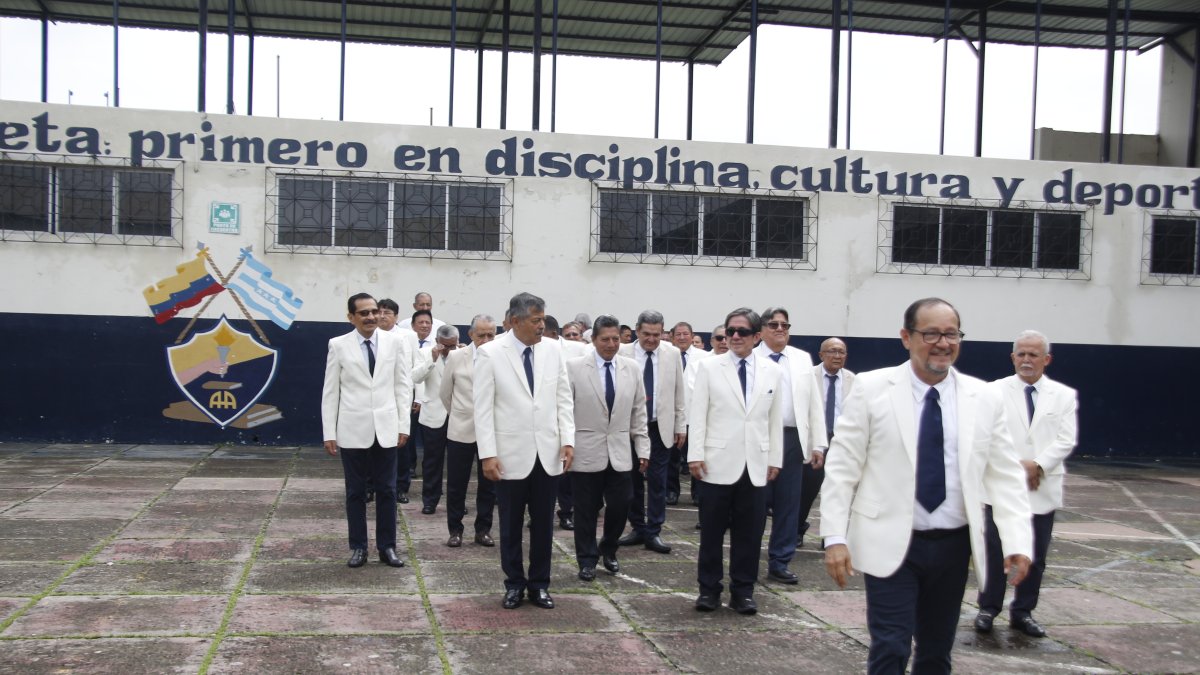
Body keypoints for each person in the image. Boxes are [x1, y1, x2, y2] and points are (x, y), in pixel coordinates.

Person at [822, 297, 1033, 674]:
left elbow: (1005, 477)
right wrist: (834, 537)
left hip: (953, 547)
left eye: (951, 334)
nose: (942, 343)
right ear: (906, 337)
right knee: (891, 646)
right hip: (891, 542)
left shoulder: (984, 398)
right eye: (931, 333)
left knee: (936, 653)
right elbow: (842, 466)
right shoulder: (872, 388)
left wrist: (1017, 542)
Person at [474, 292, 575, 610]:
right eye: (535, 320)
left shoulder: (553, 349)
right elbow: (483, 409)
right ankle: (514, 583)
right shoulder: (490, 353)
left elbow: (563, 397)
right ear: (515, 321)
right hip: (509, 454)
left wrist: (567, 439)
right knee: (510, 524)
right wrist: (488, 454)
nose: (541, 325)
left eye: (543, 319)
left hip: (547, 452)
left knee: (545, 525)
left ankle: (540, 584)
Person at [975, 330, 1078, 639]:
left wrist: (1039, 464)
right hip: (1002, 485)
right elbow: (986, 435)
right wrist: (1017, 466)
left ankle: (1022, 612)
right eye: (1021, 354)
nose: (1026, 360)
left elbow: (1066, 439)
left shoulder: (1064, 395)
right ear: (1012, 358)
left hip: (1042, 487)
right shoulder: (992, 391)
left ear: (1046, 359)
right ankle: (987, 609)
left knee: (1036, 554)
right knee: (995, 550)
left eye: (1033, 354)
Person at [688, 307, 784, 615]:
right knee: (712, 533)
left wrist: (775, 458)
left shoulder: (772, 371)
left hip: (755, 465)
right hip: (716, 462)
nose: (735, 337)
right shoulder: (709, 367)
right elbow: (698, 413)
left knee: (750, 535)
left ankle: (743, 591)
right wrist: (695, 454)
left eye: (742, 332)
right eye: (731, 331)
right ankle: (709, 590)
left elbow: (774, 419)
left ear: (757, 337)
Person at [321, 293, 413, 569]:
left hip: (386, 428)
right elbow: (330, 391)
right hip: (352, 428)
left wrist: (403, 425)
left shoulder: (395, 342)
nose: (372, 317)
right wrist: (329, 432)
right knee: (355, 492)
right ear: (351, 317)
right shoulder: (338, 345)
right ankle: (359, 547)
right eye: (364, 313)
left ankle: (387, 547)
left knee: (387, 490)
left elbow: (402, 386)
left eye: (374, 311)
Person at [566, 315, 650, 581]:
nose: (611, 344)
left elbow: (639, 410)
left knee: (621, 503)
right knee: (586, 509)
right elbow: (565, 410)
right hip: (586, 449)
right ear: (593, 340)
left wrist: (643, 447)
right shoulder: (575, 367)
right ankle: (587, 559)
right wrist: (566, 444)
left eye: (615, 339)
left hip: (620, 451)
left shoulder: (631, 368)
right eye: (605, 339)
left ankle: (609, 548)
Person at [755, 307, 827, 585]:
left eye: (785, 325)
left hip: (793, 439)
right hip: (761, 440)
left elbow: (813, 404)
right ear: (761, 331)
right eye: (773, 324)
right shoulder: (751, 356)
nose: (780, 329)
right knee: (757, 503)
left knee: (789, 504)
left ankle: (780, 560)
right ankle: (748, 557)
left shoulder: (801, 359)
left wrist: (818, 443)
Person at [617, 310, 686, 555]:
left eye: (657, 335)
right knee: (632, 479)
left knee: (658, 480)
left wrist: (680, 425)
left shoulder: (672, 354)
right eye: (646, 334)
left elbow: (679, 392)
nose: (651, 339)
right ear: (637, 331)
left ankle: (653, 530)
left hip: (659, 426)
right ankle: (637, 527)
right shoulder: (622, 352)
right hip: (630, 426)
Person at [440, 314, 498, 548]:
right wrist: (459, 414)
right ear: (471, 334)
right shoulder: (456, 356)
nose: (485, 339)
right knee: (456, 483)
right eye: (481, 334)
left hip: (492, 431)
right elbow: (445, 394)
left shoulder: (500, 356)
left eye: (490, 335)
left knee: (489, 484)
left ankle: (483, 529)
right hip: (461, 429)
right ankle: (455, 530)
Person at [801, 337, 855, 547]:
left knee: (838, 491)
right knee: (808, 489)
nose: (837, 356)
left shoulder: (853, 380)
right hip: (815, 440)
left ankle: (831, 535)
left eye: (841, 352)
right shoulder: (809, 376)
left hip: (841, 441)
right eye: (832, 351)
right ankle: (797, 528)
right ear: (821, 355)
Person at [544, 315, 589, 530]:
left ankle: (566, 512)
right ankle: (539, 512)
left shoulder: (577, 349)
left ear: (552, 334)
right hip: (544, 417)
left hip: (570, 414)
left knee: (566, 470)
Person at [413, 324, 460, 515]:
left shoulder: (462, 354)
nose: (448, 350)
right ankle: (430, 500)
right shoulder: (424, 353)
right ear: (437, 342)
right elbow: (415, 377)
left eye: (452, 346)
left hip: (458, 415)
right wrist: (432, 360)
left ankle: (457, 502)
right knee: (432, 461)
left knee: (458, 463)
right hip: (433, 415)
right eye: (445, 346)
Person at [668, 321, 710, 506]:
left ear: (692, 336)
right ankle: (671, 491)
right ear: (672, 337)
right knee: (671, 457)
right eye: (678, 334)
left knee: (696, 454)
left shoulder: (705, 357)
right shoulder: (666, 355)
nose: (682, 337)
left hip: (695, 415)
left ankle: (698, 493)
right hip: (671, 415)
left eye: (686, 334)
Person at [398, 308, 436, 504]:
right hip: (408, 399)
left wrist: (419, 398)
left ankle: (424, 488)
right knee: (407, 440)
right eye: (420, 322)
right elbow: (413, 373)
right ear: (413, 326)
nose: (424, 325)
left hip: (428, 402)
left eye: (427, 322)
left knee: (430, 447)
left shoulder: (438, 345)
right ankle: (408, 471)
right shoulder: (406, 341)